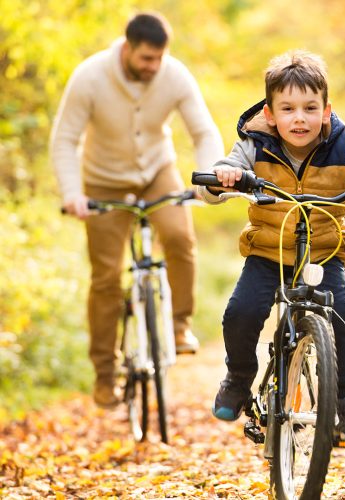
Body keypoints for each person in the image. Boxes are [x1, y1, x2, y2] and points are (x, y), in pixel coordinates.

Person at [198, 50, 345, 440]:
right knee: (241, 312)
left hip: (322, 253)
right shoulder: (253, 142)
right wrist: (224, 176)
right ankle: (239, 376)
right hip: (268, 252)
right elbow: (215, 182)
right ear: (271, 113)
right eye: (289, 109)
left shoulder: (344, 145)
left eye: (310, 108)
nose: (300, 118)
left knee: (343, 313)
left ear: (326, 111)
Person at [50, 12, 224, 408]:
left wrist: (207, 179)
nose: (153, 67)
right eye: (146, 59)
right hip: (103, 181)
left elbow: (204, 131)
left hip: (156, 173)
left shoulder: (174, 75)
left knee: (180, 237)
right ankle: (104, 375)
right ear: (127, 48)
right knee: (107, 278)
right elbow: (65, 140)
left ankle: (180, 326)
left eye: (159, 58)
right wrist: (72, 192)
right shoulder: (89, 77)